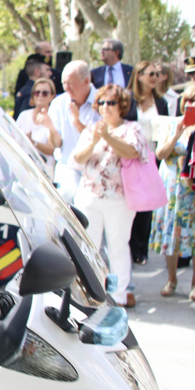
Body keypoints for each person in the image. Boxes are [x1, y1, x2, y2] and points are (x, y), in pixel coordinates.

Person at [71, 84, 146, 307]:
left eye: (111, 103)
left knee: (118, 246)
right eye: (101, 103)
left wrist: (108, 137)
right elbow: (77, 159)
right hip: (90, 196)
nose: (105, 107)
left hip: (119, 199)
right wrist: (95, 139)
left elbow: (132, 151)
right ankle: (90, 294)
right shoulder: (91, 130)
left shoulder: (132, 129)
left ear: (121, 106)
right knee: (89, 246)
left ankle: (120, 296)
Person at [150, 85, 195, 301]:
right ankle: (172, 278)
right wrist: (177, 133)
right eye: (189, 101)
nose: (194, 105)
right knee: (172, 232)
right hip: (173, 187)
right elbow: (160, 154)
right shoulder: (171, 123)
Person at [125, 60, 170, 267]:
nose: (155, 78)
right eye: (151, 74)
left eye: (157, 74)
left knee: (147, 204)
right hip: (130, 155)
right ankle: (128, 244)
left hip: (152, 155)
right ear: (139, 75)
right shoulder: (128, 99)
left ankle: (140, 250)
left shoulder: (161, 103)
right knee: (131, 202)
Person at [48, 60, 100, 203]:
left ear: (87, 81)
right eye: (64, 83)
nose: (66, 88)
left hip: (96, 168)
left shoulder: (103, 101)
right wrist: (50, 129)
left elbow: (99, 139)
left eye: (71, 83)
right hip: (67, 168)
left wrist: (77, 122)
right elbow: (56, 144)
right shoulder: (58, 103)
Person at [15, 77, 61, 179]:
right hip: (22, 170)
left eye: (45, 93)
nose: (40, 95)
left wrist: (33, 142)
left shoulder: (54, 118)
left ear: (52, 96)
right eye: (37, 92)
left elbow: (54, 149)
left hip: (44, 173)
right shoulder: (23, 115)